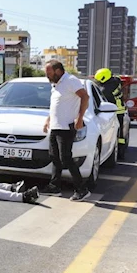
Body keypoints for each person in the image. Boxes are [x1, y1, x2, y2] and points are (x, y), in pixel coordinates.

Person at [42, 60, 90, 201]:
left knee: (66, 158)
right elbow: (57, 105)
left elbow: (85, 97)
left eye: (49, 73)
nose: (47, 76)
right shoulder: (56, 85)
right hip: (56, 126)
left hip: (66, 127)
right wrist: (48, 120)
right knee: (54, 157)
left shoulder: (70, 80)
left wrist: (80, 118)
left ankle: (82, 189)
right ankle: (54, 186)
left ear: (58, 71)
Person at [94, 68, 127, 145]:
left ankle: (119, 149)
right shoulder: (116, 81)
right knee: (120, 132)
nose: (98, 82)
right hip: (121, 109)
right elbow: (118, 78)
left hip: (115, 111)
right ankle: (121, 149)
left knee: (114, 132)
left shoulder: (106, 90)